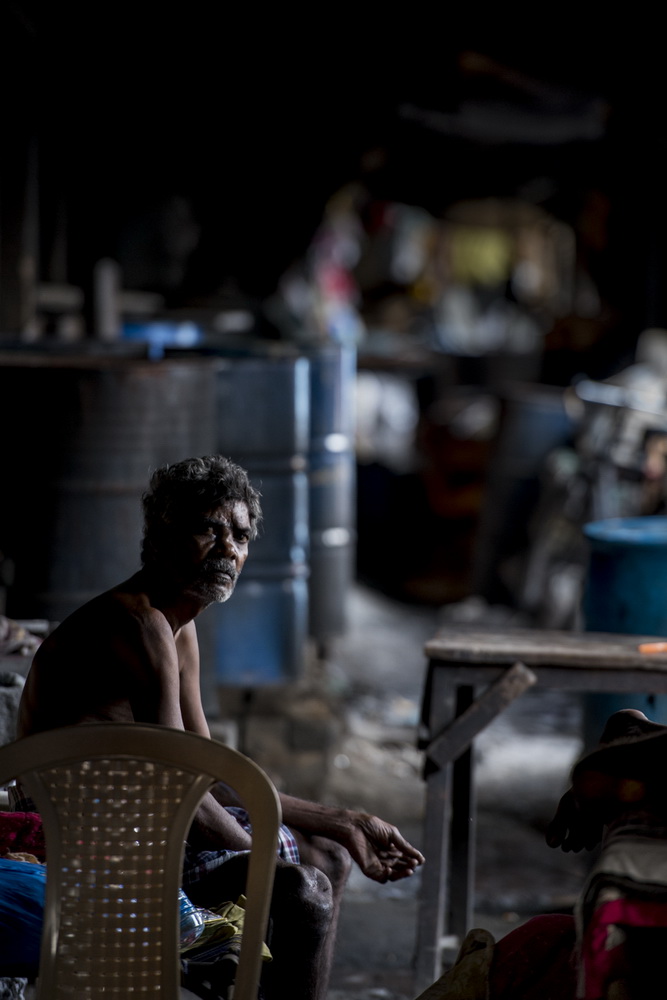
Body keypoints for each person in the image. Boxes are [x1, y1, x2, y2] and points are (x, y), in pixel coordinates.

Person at [16, 454, 424, 1000]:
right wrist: (264, 860)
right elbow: (179, 790)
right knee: (304, 889)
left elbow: (207, 773)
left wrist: (341, 820)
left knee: (328, 858)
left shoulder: (177, 629)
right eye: (209, 528)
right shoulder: (138, 624)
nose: (229, 548)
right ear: (163, 534)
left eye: (240, 534)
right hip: (92, 849)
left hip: (147, 832)